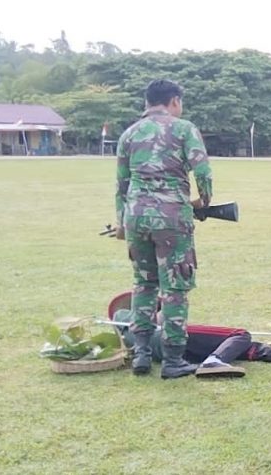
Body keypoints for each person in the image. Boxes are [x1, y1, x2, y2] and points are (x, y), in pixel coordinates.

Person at [115, 79, 213, 380]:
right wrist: (204, 202)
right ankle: (173, 359)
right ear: (174, 101)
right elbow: (203, 170)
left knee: (144, 283)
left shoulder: (128, 134)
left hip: (135, 216)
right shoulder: (184, 128)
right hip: (172, 217)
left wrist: (121, 222)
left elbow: (121, 184)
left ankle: (142, 353)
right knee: (175, 288)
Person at [110, 300, 271, 380]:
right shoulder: (125, 316)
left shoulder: (131, 339)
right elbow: (162, 317)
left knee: (249, 348)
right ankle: (214, 361)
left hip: (178, 354)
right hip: (173, 336)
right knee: (240, 334)